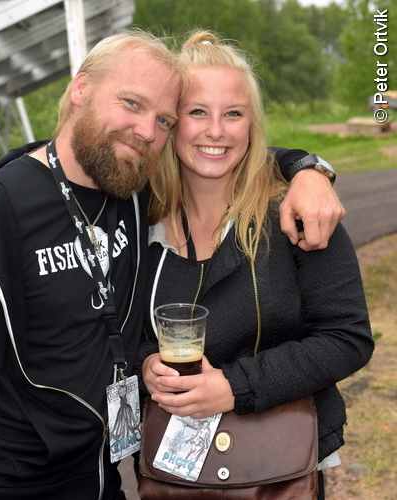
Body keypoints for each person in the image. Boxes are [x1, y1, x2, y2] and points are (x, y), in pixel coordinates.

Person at [0, 29, 343, 500]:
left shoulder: (130, 188)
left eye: (163, 119)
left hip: (99, 480)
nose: (146, 130)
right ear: (80, 89)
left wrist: (307, 169)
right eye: (130, 103)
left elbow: (221, 146)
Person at [139, 30, 374, 499]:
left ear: (252, 124)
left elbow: (347, 338)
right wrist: (143, 364)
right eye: (197, 112)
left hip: (280, 472)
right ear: (170, 122)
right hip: (174, 478)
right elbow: (109, 329)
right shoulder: (136, 221)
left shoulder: (297, 215)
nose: (216, 131)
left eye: (234, 114)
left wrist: (235, 386)